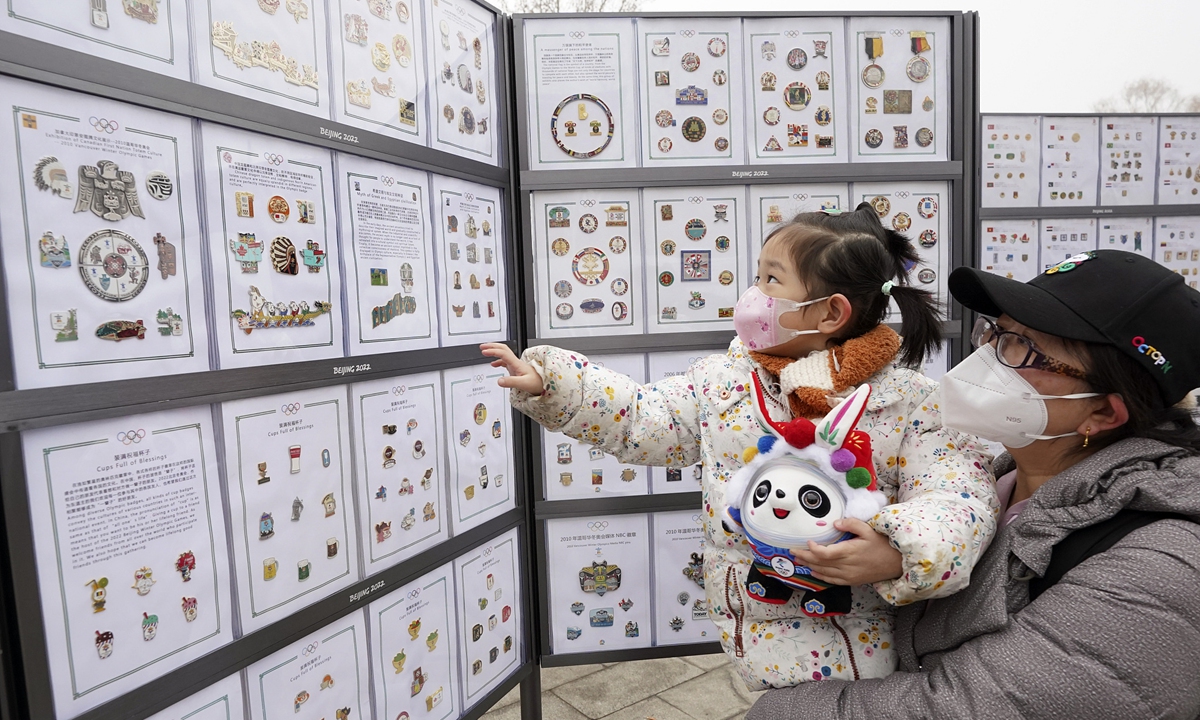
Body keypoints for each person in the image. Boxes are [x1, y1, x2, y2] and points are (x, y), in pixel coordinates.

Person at [484, 204, 997, 689]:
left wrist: (899, 550)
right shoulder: (724, 383)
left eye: (771, 280)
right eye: (758, 275)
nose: (753, 293)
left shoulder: (913, 405)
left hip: (863, 654)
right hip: (750, 635)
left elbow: (960, 496)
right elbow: (645, 417)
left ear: (830, 312)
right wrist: (556, 385)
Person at [747, 249, 1200, 719]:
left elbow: (966, 707)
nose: (984, 357)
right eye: (997, 331)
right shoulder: (990, 480)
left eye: (1023, 349)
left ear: (1103, 411)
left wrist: (775, 711)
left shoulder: (1162, 565)